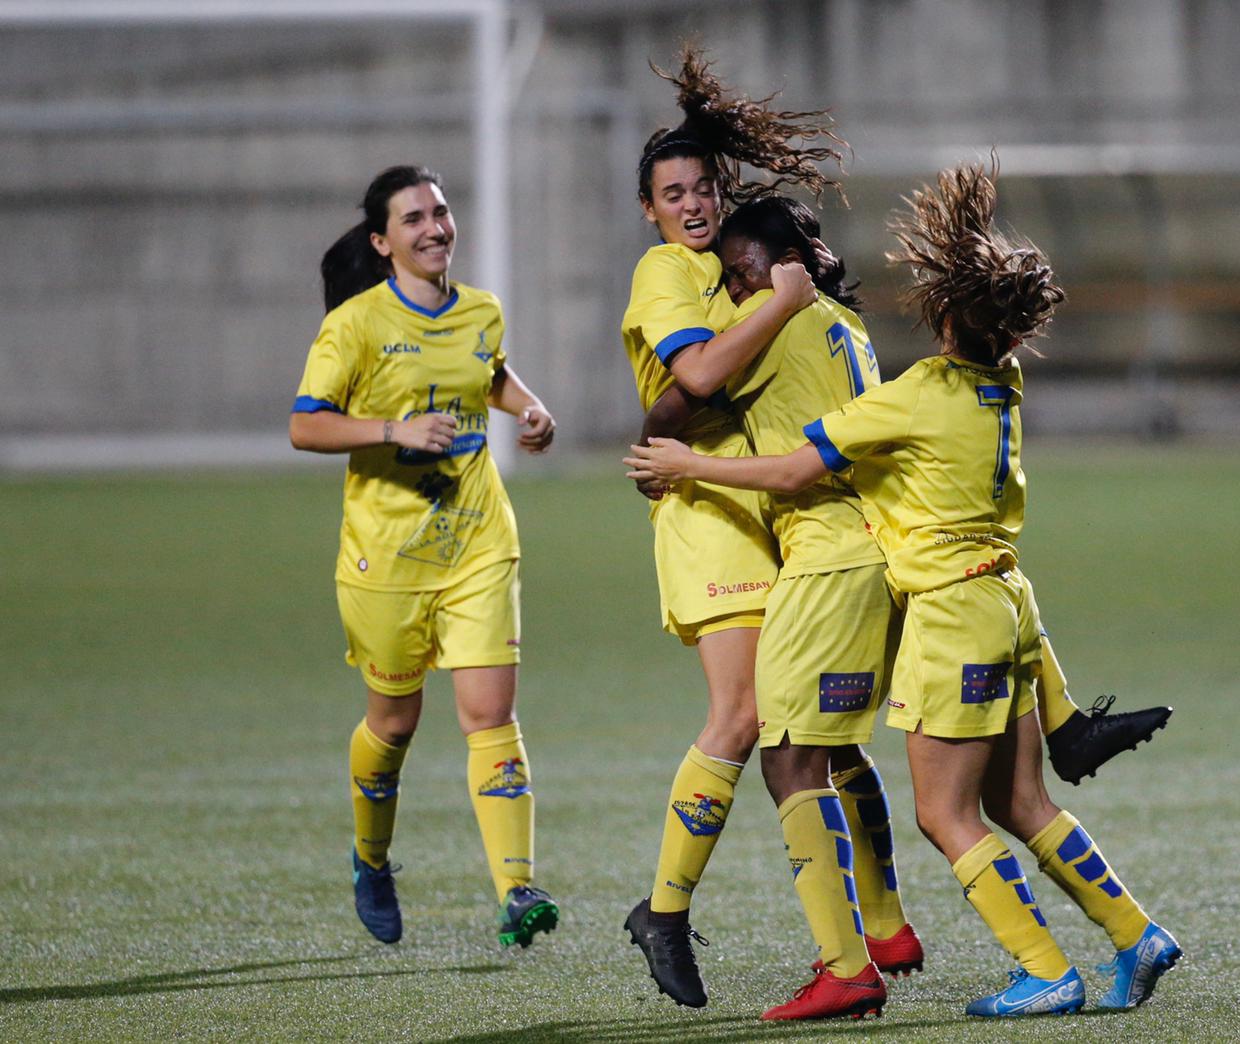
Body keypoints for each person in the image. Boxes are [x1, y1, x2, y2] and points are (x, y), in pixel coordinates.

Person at [626, 158, 1183, 1014]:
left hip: (838, 562)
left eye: (742, 277)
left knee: (798, 758)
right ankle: (1111, 914)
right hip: (957, 583)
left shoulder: (795, 330)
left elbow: (703, 398)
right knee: (1000, 794)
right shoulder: (883, 340)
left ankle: (878, 967)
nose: (734, 293)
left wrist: (672, 453)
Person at [619, 48, 920, 1013]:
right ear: (651, 211)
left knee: (827, 736)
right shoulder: (667, 272)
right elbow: (697, 382)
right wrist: (787, 297)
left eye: (703, 185)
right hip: (710, 514)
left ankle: (880, 927)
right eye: (673, 193)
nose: (692, 204)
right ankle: (666, 907)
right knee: (754, 721)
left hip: (781, 513)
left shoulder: (737, 268)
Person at [289, 165, 559, 950]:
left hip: (478, 542)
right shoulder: (356, 325)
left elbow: (490, 375)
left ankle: (517, 887)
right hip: (387, 560)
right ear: (383, 242)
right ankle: (371, 858)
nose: (435, 228)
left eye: (440, 212)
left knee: (490, 716)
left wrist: (530, 409)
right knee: (394, 723)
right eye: (414, 219)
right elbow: (306, 425)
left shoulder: (481, 309)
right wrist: (392, 431)